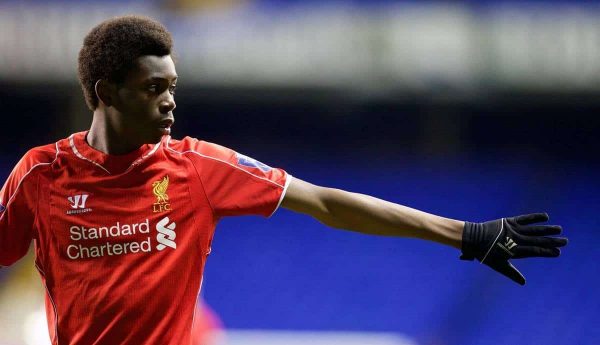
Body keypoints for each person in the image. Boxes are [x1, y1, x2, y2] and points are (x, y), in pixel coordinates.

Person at [0, 15, 567, 345]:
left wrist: (464, 234)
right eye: (153, 88)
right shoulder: (41, 175)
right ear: (106, 92)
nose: (171, 102)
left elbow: (323, 202)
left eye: (173, 85)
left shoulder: (198, 167)